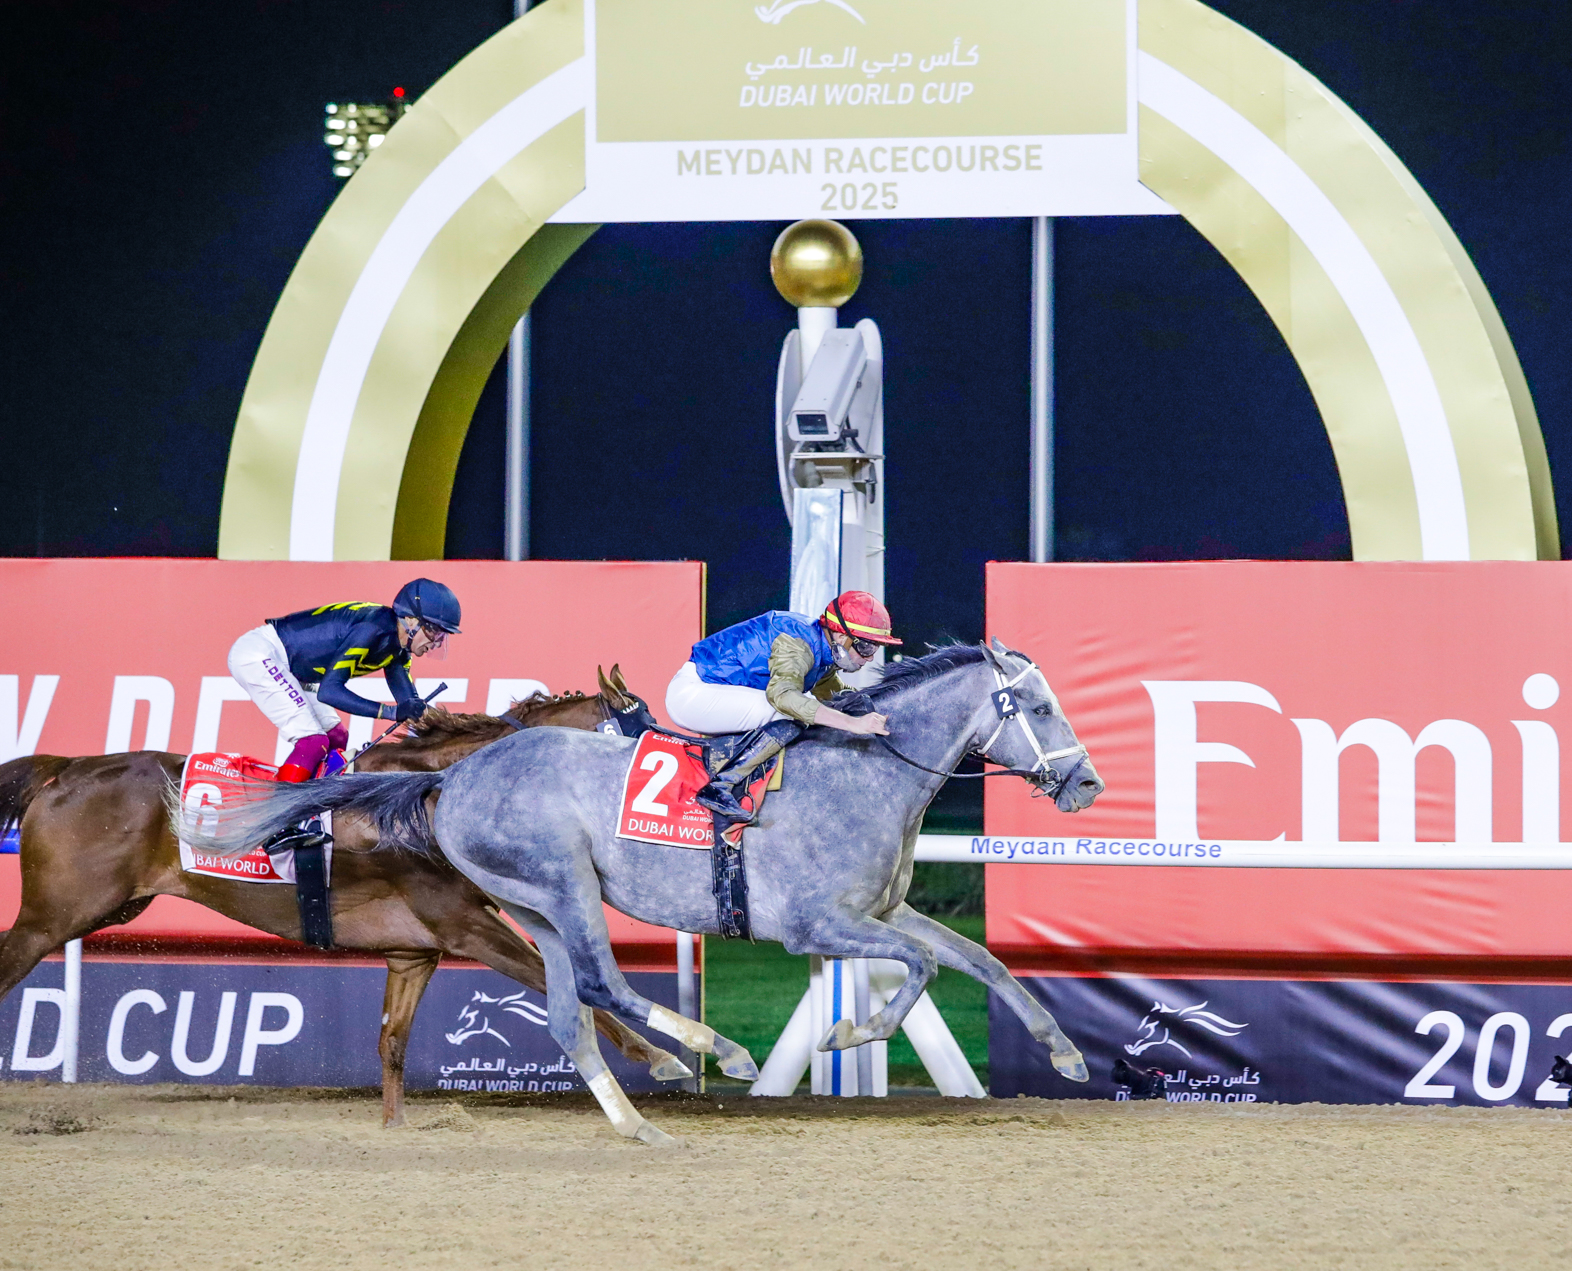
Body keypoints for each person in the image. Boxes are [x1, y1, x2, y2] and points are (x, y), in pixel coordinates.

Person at [665, 590, 901, 823]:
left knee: (805, 709)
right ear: (841, 636)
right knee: (789, 712)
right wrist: (853, 724)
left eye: (875, 649)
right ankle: (719, 786)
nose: (870, 657)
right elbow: (784, 697)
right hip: (693, 694)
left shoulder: (823, 647)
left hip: (713, 691)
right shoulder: (798, 644)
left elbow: (832, 692)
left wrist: (873, 706)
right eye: (867, 647)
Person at [227, 578, 462, 784]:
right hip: (261, 654)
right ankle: (277, 819)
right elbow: (329, 691)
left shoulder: (398, 649)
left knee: (336, 738)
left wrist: (446, 730)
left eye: (443, 635)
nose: (437, 642)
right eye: (434, 631)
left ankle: (315, 806)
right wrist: (390, 712)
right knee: (312, 741)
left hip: (294, 668)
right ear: (410, 621)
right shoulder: (372, 629)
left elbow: (410, 704)